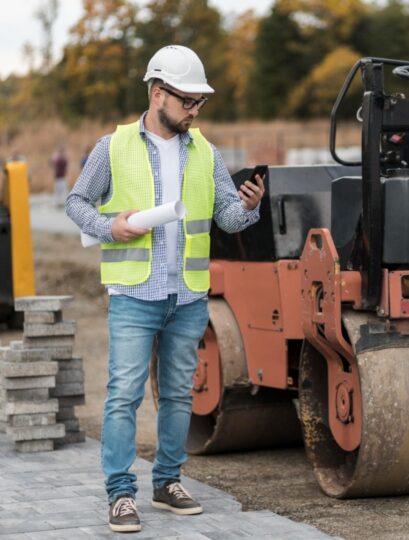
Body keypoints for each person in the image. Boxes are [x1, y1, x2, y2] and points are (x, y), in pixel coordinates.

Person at [66, 44, 265, 533]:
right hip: (134, 294)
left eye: (200, 103)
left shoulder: (207, 153)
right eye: (188, 101)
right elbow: (76, 203)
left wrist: (251, 205)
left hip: (188, 296)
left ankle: (167, 481)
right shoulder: (112, 147)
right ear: (158, 94)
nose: (195, 111)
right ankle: (120, 494)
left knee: (178, 394)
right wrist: (113, 227)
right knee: (123, 395)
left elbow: (227, 218)